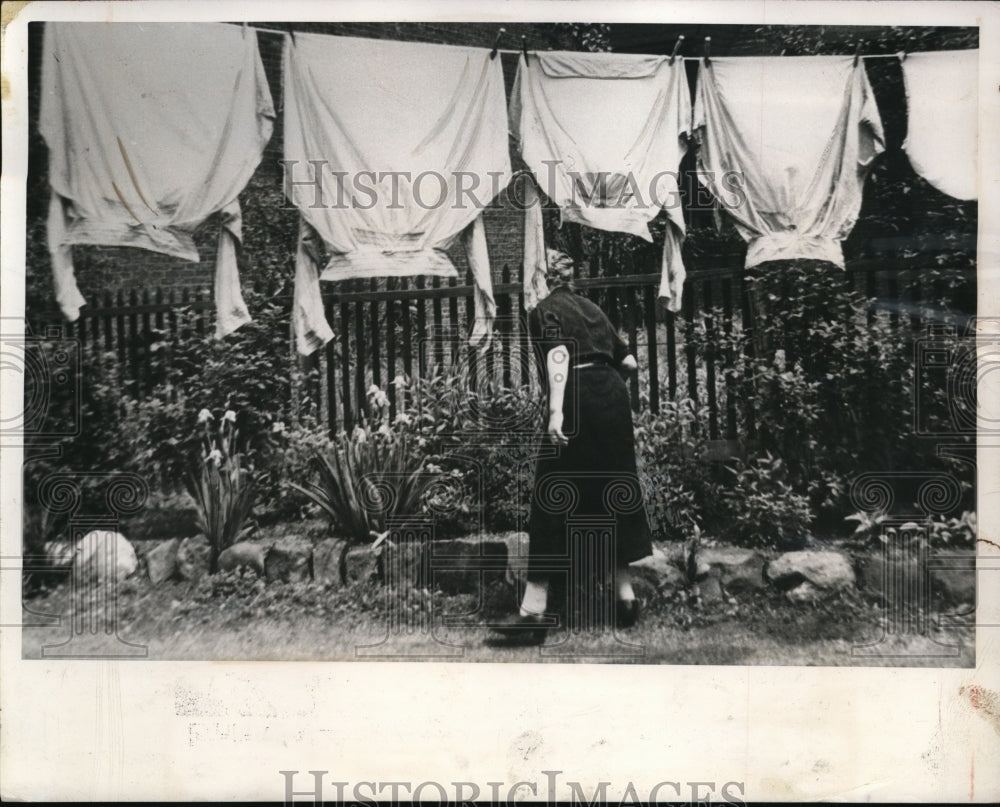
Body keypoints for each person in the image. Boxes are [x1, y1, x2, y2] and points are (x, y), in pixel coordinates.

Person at [492, 250, 653, 645]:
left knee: (551, 499)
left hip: (575, 397)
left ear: (541, 278)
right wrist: (607, 391)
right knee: (611, 493)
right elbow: (630, 363)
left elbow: (558, 355)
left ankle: (534, 612)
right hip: (612, 399)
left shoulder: (543, 309)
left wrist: (556, 412)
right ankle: (625, 600)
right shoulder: (592, 308)